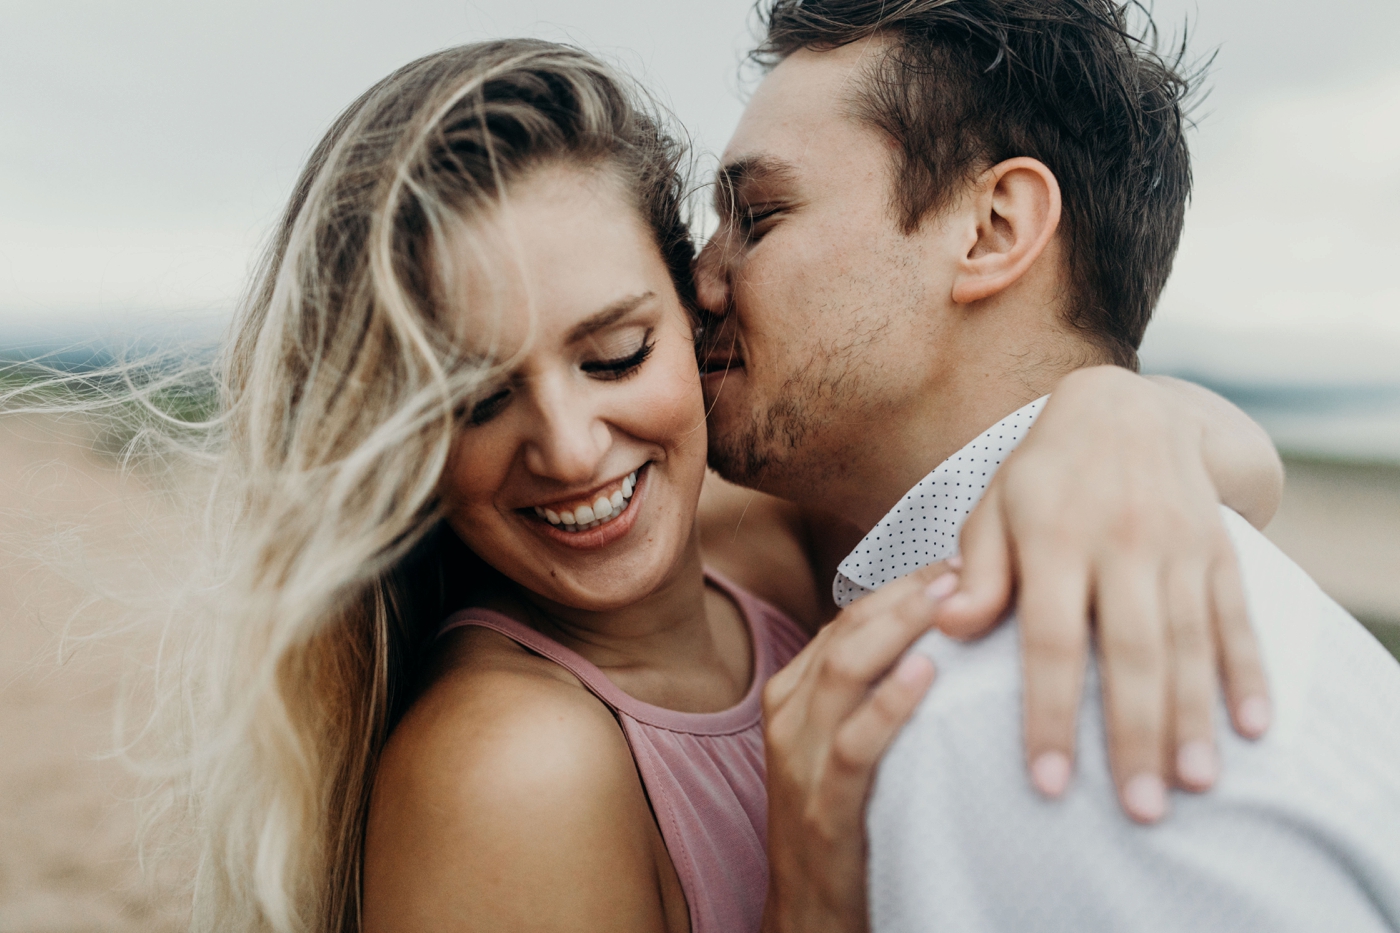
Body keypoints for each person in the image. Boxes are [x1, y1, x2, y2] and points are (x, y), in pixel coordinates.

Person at [64, 34, 1274, 933]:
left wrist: (1107, 416)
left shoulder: (771, 543)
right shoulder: (508, 769)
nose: (572, 448)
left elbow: (1247, 475)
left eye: (612, 356)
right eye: (473, 400)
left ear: (697, 305)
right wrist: (813, 893)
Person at [692, 1, 1400, 930]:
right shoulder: (1214, 606)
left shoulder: (1026, 716)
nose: (701, 279)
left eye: (760, 215)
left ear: (991, 229)